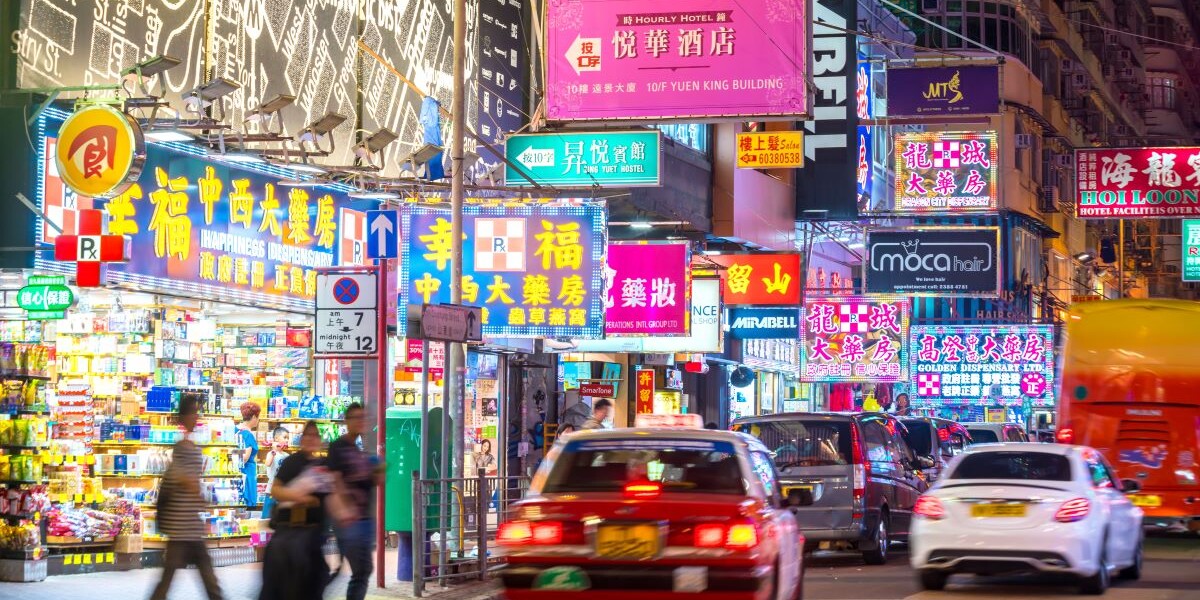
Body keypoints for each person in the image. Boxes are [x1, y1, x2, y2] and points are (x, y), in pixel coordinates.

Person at [150, 395, 224, 600]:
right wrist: (200, 497)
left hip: (186, 525)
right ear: (185, 416)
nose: (196, 416)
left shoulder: (185, 445)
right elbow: (183, 479)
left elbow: (181, 478)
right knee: (205, 579)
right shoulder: (185, 448)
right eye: (193, 412)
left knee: (175, 577)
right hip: (184, 526)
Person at [260, 422, 334, 600]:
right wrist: (300, 497)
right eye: (307, 435)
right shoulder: (291, 462)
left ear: (319, 440)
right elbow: (276, 490)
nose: (311, 439)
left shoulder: (323, 466)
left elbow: (332, 499)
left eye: (315, 435)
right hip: (289, 532)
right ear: (301, 440)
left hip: (312, 536)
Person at [326, 403, 383, 600]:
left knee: (361, 569)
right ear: (347, 421)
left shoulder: (359, 452)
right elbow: (335, 480)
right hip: (349, 520)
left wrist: (378, 473)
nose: (360, 421)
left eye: (363, 417)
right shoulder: (338, 447)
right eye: (356, 417)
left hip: (362, 520)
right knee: (362, 569)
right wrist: (344, 510)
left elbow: (370, 483)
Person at [261, 427, 291, 520]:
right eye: (284, 437)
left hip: (283, 492)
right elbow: (268, 463)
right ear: (276, 438)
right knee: (267, 518)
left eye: (287, 438)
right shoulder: (271, 453)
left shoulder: (287, 456)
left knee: (281, 519)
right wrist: (274, 450)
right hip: (271, 491)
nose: (286, 440)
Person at [236, 402, 260, 508]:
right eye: (258, 417)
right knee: (246, 507)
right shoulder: (248, 434)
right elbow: (245, 457)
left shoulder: (234, 429)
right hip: (246, 473)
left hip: (234, 473)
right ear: (254, 417)